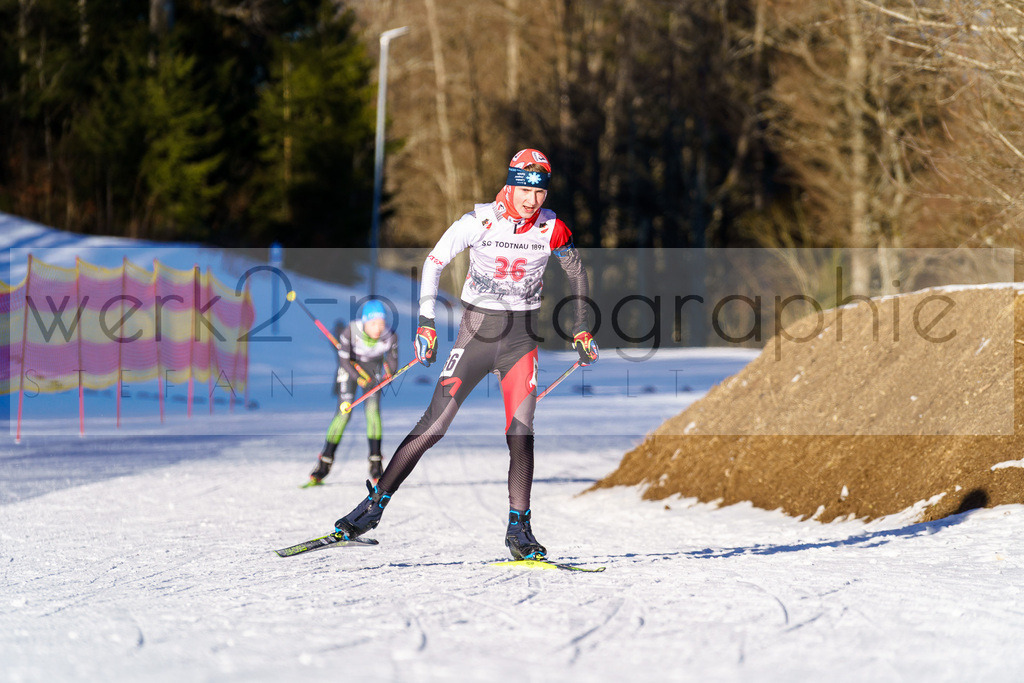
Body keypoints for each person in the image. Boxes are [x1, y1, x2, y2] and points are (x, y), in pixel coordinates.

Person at [332, 148, 598, 560]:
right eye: (525, 191)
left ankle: (519, 529)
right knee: (434, 426)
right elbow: (434, 262)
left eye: (540, 192)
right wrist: (426, 322)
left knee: (521, 433)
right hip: (475, 337)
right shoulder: (478, 221)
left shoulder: (553, 228)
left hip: (521, 342)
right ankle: (373, 507)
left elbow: (577, 272)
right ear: (510, 185)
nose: (532, 200)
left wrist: (581, 327)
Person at [307, 300, 398, 486]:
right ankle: (325, 461)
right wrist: (358, 378)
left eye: (381, 323)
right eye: (374, 323)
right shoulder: (350, 331)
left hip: (372, 370)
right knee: (344, 413)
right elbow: (344, 361)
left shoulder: (390, 336)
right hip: (350, 369)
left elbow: (392, 361)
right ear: (365, 322)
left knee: (372, 412)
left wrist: (390, 374)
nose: (378, 328)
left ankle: (376, 463)